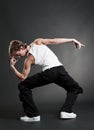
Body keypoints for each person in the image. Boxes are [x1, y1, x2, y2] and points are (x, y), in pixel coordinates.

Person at [8, 38, 85, 122]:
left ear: (21, 48)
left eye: (17, 54)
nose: (18, 57)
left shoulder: (28, 60)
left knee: (23, 85)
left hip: (50, 73)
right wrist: (72, 40)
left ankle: (33, 115)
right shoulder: (37, 42)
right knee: (75, 88)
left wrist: (12, 67)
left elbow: (23, 77)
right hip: (60, 70)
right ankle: (66, 111)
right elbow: (54, 41)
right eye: (16, 56)